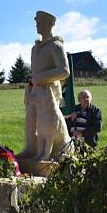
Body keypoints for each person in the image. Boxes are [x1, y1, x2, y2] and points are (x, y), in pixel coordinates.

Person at [16, 10, 71, 165]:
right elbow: (35, 71)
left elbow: (64, 71)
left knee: (49, 121)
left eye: (39, 23)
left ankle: (51, 152)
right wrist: (30, 85)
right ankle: (31, 149)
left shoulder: (56, 46)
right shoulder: (35, 48)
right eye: (36, 23)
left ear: (48, 24)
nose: (37, 26)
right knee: (31, 118)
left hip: (49, 91)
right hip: (35, 90)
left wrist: (41, 78)